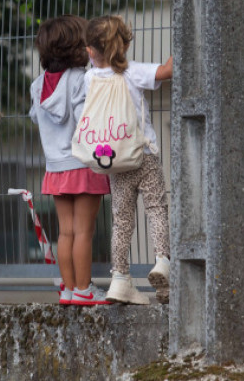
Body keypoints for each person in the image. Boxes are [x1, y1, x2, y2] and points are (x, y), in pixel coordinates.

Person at [84, 15, 173, 305]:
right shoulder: (133, 71)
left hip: (112, 159)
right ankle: (162, 260)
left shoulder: (90, 77)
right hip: (142, 153)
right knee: (156, 209)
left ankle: (120, 278)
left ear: (90, 51)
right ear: (124, 45)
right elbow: (166, 72)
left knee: (121, 220)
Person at [30, 15, 112, 306]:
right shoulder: (81, 80)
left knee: (65, 232)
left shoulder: (37, 86)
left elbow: (37, 117)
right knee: (84, 232)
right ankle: (84, 289)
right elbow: (84, 122)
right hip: (84, 165)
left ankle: (68, 289)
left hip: (55, 168)